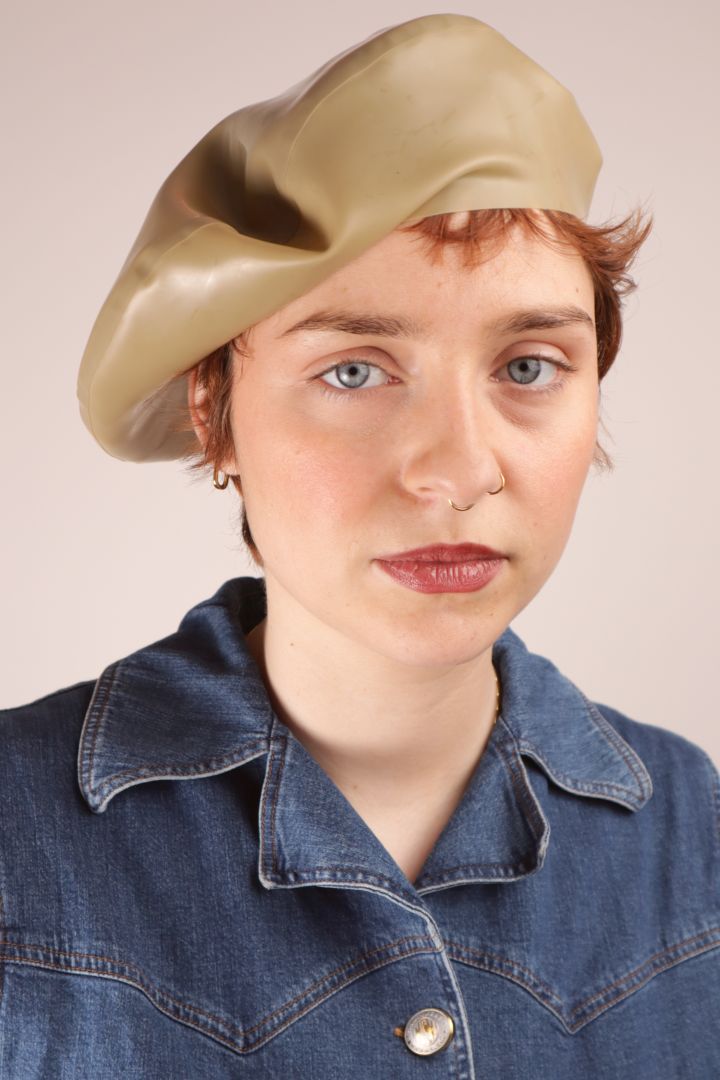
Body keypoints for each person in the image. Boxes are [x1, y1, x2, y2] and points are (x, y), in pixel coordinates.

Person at [1, 13, 718, 1078]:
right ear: (214, 409)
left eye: (528, 366)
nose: (460, 470)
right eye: (355, 371)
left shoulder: (692, 832)